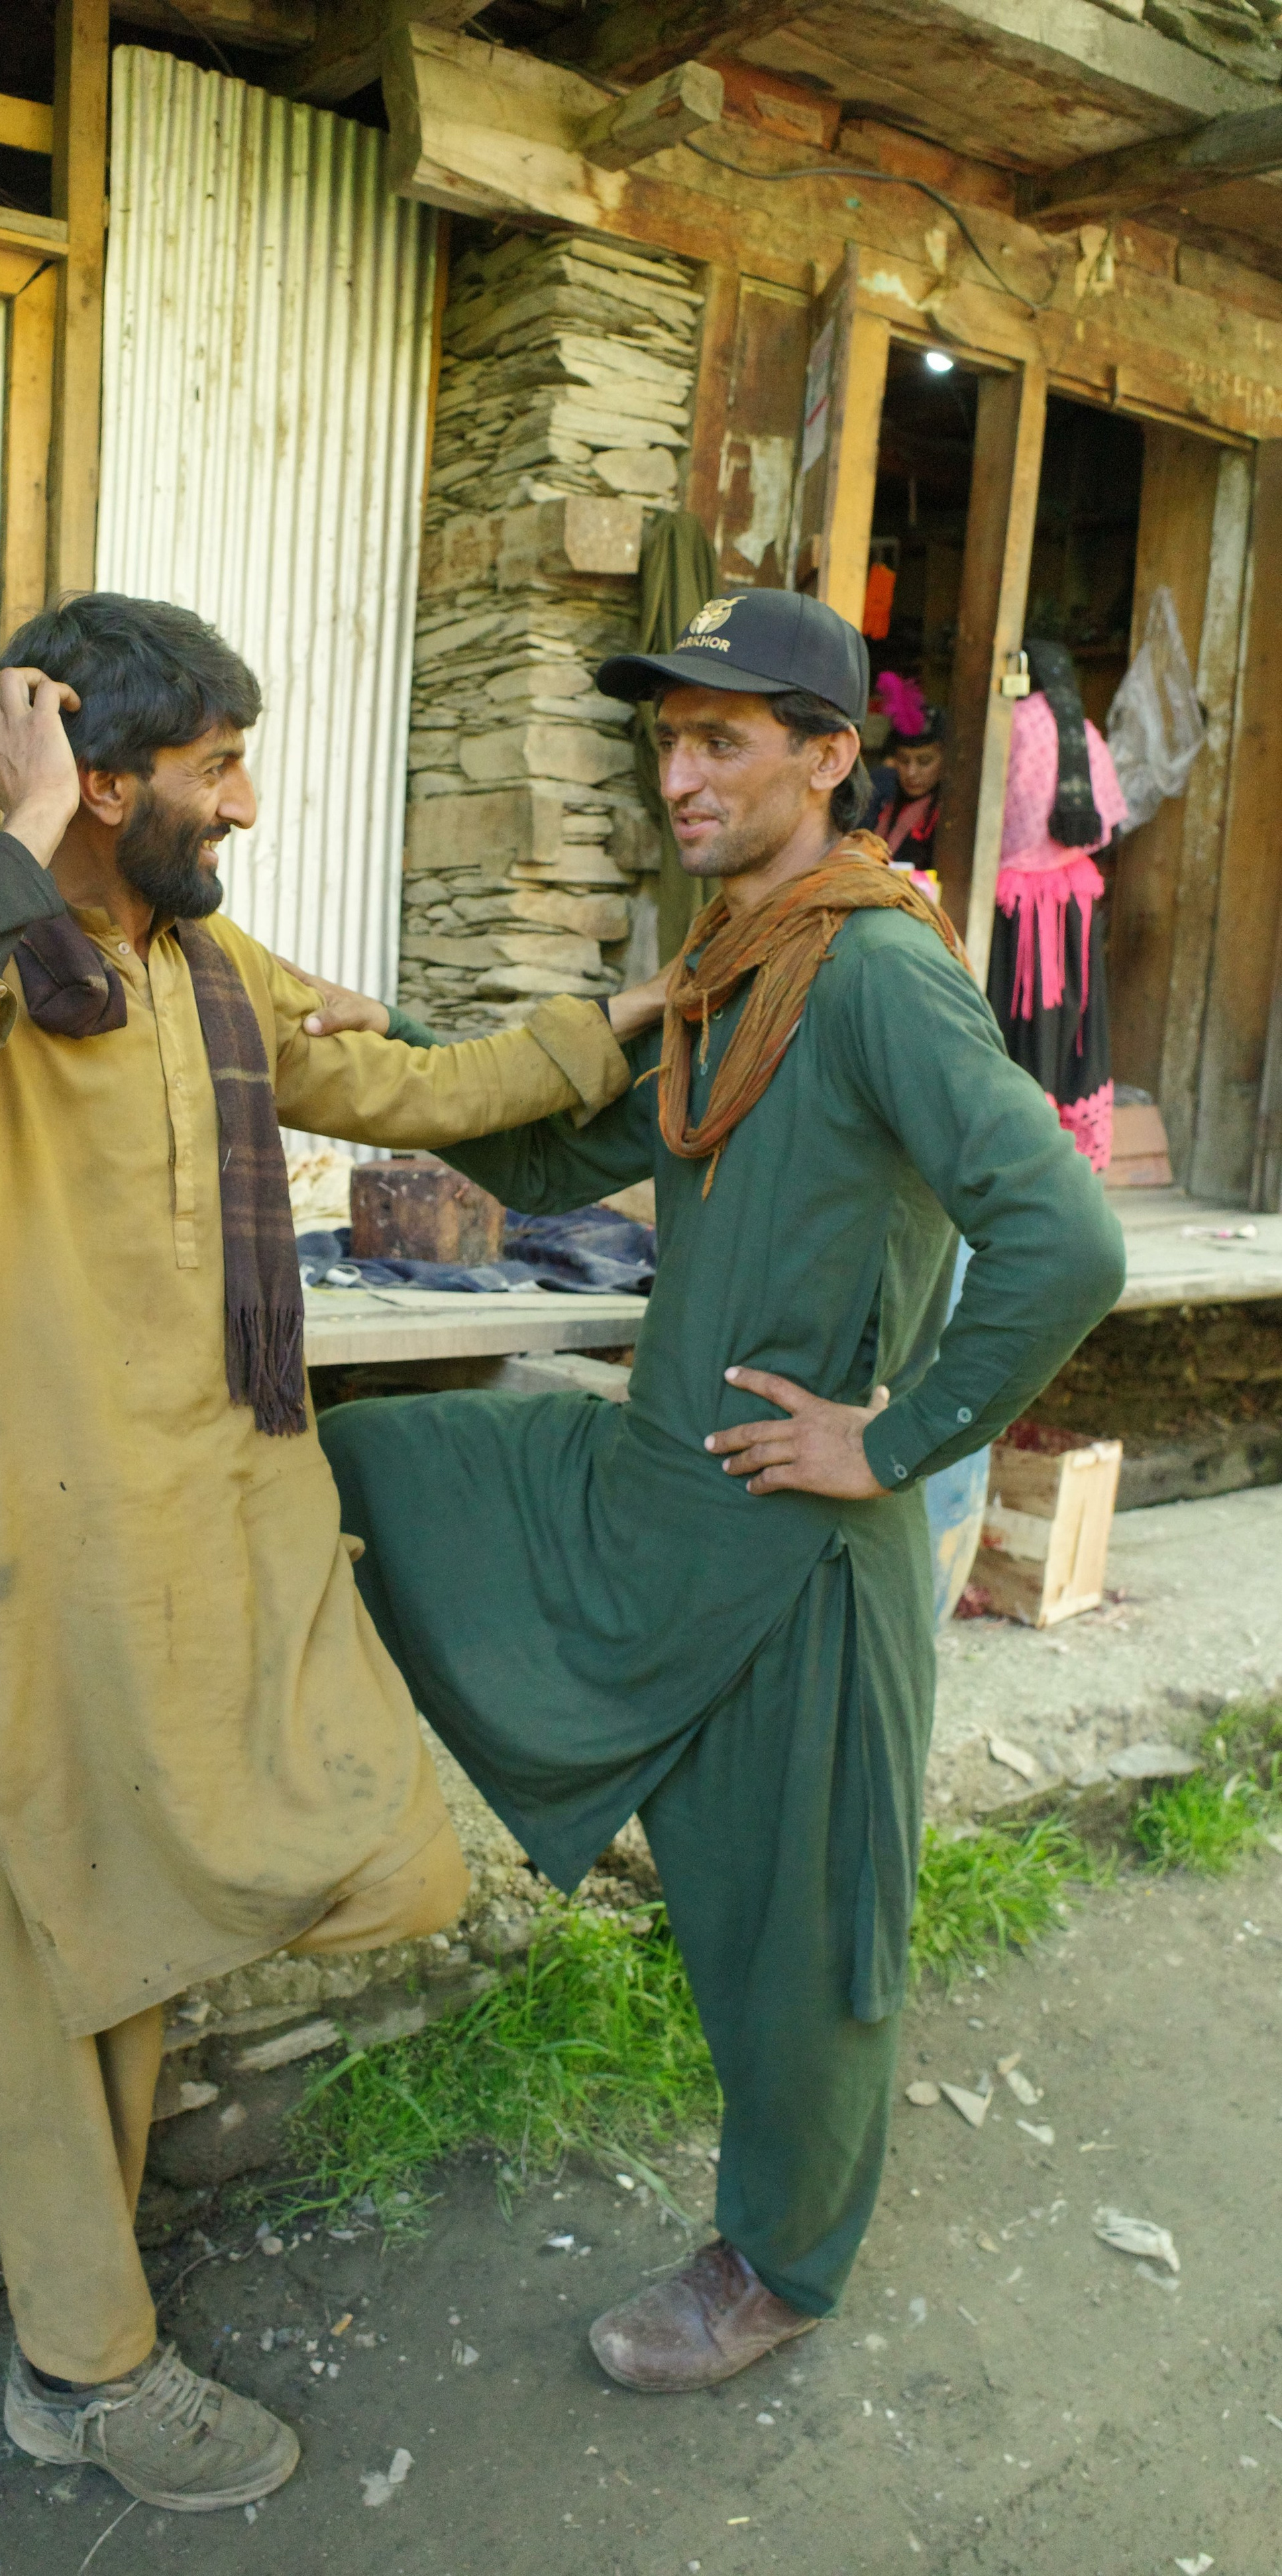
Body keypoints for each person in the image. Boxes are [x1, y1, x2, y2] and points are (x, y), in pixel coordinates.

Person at [0, 593, 661, 2514]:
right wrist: (15, 835)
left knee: (291, 1842)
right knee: (61, 1935)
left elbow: (415, 1093)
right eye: (213, 769)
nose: (251, 803)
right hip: (38, 1536)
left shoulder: (204, 966)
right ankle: (81, 2372)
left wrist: (624, 1027)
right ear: (96, 780)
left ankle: (92, 2278)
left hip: (214, 1511)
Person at [319, 588, 1126, 2396]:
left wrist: (895, 1436)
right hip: (654, 1493)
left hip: (798, 1549)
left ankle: (776, 2264)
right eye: (666, 738)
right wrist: (372, 1065)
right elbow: (566, 1141)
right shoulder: (733, 971)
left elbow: (1064, 1233)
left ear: (831, 758)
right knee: (356, 1459)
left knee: (805, 1932)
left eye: (724, 740)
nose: (679, 774)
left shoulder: (877, 969)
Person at [987, 636, 1127, 1171]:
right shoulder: (1085, 732)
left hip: (1015, 906)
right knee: (1070, 1016)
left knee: (1014, 1018)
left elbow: (991, 817)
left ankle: (1016, 1140)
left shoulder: (1013, 726)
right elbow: (1108, 824)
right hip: (1074, 904)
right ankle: (1069, 1148)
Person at [863, 671, 945, 881]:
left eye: (924, 761)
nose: (911, 772)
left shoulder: (948, 818)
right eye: (903, 760)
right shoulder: (880, 800)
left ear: (945, 761)